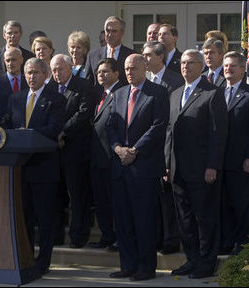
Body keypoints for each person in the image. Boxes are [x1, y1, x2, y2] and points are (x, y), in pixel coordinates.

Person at [106, 54, 169, 281]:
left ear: (145, 68)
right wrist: (118, 149)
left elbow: (158, 126)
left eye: (133, 68)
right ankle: (128, 265)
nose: (129, 72)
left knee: (144, 220)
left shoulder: (158, 92)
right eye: (126, 68)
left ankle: (146, 267)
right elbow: (111, 126)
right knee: (123, 220)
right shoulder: (119, 93)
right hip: (120, 167)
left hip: (144, 168)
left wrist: (134, 150)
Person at [166, 50, 228, 279]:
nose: (185, 67)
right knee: (184, 219)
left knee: (205, 218)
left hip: (202, 169)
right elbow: (169, 131)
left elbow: (217, 134)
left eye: (190, 63)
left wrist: (212, 165)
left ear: (201, 66)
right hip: (178, 168)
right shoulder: (175, 94)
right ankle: (192, 259)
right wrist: (167, 164)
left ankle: (206, 262)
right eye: (182, 63)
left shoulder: (212, 94)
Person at [5, 57, 66, 276]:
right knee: (24, 216)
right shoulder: (16, 98)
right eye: (28, 73)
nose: (31, 77)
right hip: (20, 169)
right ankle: (25, 256)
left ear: (46, 74)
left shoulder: (56, 99)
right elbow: (8, 124)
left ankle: (44, 261)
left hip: (44, 168)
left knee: (45, 218)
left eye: (36, 73)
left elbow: (54, 128)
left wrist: (28, 135)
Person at [220, 51, 249, 256]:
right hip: (219, 161)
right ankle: (227, 241)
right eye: (226, 65)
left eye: (233, 66)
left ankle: (242, 243)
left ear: (242, 68)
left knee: (242, 204)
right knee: (223, 204)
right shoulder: (217, 92)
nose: (228, 69)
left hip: (242, 161)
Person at [48, 54, 95, 248]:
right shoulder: (50, 88)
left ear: (70, 68)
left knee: (77, 196)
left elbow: (83, 113)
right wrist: (54, 134)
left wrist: (63, 133)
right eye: (54, 70)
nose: (57, 73)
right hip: (53, 151)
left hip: (75, 150)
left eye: (60, 69)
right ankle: (56, 235)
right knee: (56, 196)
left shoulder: (83, 86)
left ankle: (78, 235)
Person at [142, 41, 183, 254]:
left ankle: (171, 239)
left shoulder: (175, 81)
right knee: (151, 200)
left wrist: (167, 158)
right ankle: (156, 237)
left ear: (161, 57)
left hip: (166, 147)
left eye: (149, 55)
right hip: (145, 151)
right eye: (143, 55)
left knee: (168, 199)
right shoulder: (143, 79)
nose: (145, 59)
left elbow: (170, 120)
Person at [88, 58, 124, 250]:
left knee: (115, 201)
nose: (101, 75)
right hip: (97, 158)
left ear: (116, 73)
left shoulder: (120, 93)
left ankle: (119, 237)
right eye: (98, 72)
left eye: (105, 72)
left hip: (112, 158)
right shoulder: (99, 94)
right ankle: (107, 236)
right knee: (101, 201)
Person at [85, 16, 135, 86]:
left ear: (122, 33)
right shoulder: (93, 55)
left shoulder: (131, 55)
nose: (110, 34)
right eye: (107, 31)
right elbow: (88, 83)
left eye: (114, 31)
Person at [0, 47, 27, 125]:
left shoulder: (29, 82)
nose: (10, 63)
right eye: (8, 60)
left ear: (21, 60)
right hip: (3, 130)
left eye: (13, 60)